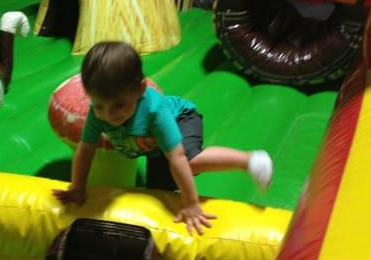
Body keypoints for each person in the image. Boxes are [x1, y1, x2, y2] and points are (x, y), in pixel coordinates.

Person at [52, 41, 273, 235]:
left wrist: (191, 204)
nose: (108, 115)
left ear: (140, 90)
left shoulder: (154, 111)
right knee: (159, 190)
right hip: (151, 144)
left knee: (188, 162)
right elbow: (85, 149)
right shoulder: (98, 111)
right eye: (100, 105)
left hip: (180, 119)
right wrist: (78, 188)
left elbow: (176, 158)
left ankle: (249, 160)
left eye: (118, 105)